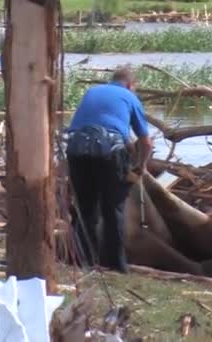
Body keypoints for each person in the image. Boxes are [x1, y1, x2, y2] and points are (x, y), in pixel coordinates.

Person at [66, 67, 153, 273]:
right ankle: (116, 265)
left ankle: (83, 261)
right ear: (131, 85)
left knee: (84, 209)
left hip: (77, 149)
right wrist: (141, 165)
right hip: (109, 152)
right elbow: (146, 142)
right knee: (112, 209)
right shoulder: (130, 97)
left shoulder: (93, 92)